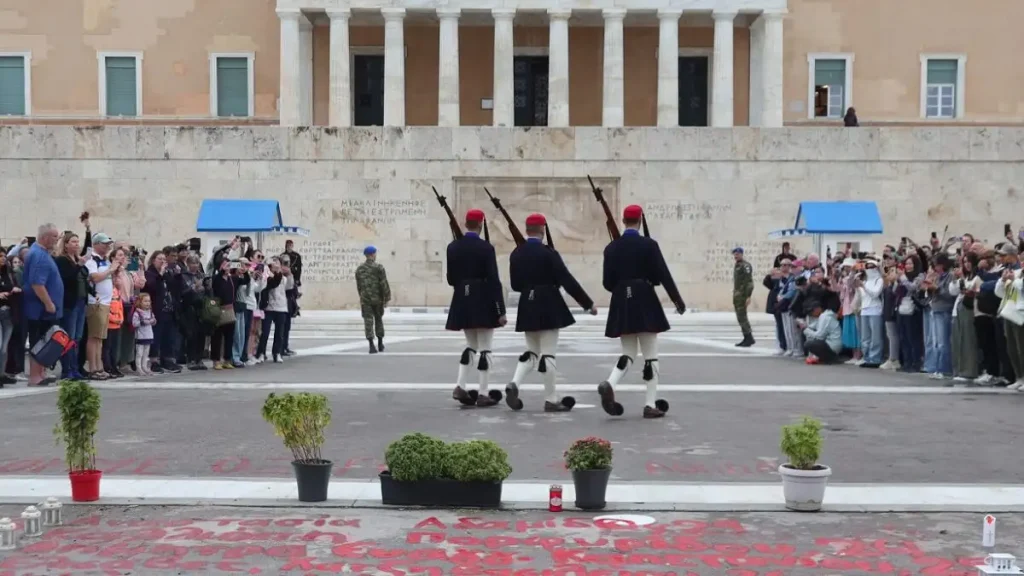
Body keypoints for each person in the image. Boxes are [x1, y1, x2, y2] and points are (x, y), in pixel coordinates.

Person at [597, 205, 686, 419]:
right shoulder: (649, 245)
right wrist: (677, 300)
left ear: (623, 221)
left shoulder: (611, 248)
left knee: (628, 353)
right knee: (650, 356)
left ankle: (610, 382)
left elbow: (607, 283)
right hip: (645, 297)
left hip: (622, 300)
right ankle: (649, 404)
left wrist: (622, 287)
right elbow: (662, 274)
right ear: (640, 220)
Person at [505, 213, 596, 413]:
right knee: (548, 354)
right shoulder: (549, 253)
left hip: (527, 304)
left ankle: (514, 383)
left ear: (527, 230)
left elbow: (515, 285)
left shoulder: (516, 253)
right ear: (543, 230)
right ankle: (551, 399)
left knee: (531, 351)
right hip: (548, 303)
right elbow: (567, 280)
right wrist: (587, 304)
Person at [445, 209, 507, 408]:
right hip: (483, 298)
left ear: (466, 224)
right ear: (481, 224)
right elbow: (494, 280)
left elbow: (451, 279)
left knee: (471, 345)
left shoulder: (452, 247)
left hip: (462, 298)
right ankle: (483, 392)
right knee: (485, 348)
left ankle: (460, 385)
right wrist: (500, 310)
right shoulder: (485, 248)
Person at [23, 223, 64, 387]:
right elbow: (37, 284)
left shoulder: (41, 253)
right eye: (54, 236)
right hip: (39, 309)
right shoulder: (39, 255)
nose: (56, 239)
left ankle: (40, 372)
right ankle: (35, 376)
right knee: (38, 341)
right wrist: (48, 303)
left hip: (43, 309)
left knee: (44, 341)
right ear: (45, 237)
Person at [84, 233, 118, 380]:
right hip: (95, 302)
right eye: (104, 244)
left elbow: (110, 279)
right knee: (94, 336)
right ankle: (93, 367)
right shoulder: (92, 260)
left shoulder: (105, 261)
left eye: (108, 244)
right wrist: (110, 270)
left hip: (105, 302)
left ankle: (99, 366)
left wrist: (114, 270)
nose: (107, 246)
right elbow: (94, 277)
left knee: (100, 338)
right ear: (96, 244)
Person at [355, 246, 391, 354]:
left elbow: (359, 286)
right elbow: (384, 284)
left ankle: (371, 345)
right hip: (377, 300)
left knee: (368, 321)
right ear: (372, 255)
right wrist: (387, 298)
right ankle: (380, 343)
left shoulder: (359, 269)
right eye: (375, 254)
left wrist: (361, 296)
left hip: (365, 300)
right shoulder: (379, 268)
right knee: (378, 320)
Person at [799, 299, 843, 364]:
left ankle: (830, 358)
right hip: (830, 343)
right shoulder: (823, 316)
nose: (811, 314)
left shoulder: (825, 317)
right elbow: (813, 326)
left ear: (818, 309)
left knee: (809, 344)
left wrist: (805, 330)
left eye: (811, 311)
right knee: (809, 335)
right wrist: (804, 327)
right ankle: (822, 357)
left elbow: (820, 336)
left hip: (833, 345)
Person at [0, 253, 18, 386]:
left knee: (5, 347)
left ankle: (2, 374)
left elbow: (11, 286)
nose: (3, 259)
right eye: (0, 256)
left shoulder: (8, 273)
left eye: (4, 256)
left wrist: (13, 290)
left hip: (8, 311)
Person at [732, 247, 755, 347]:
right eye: (734, 254)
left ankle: (749, 337)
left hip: (742, 296)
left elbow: (749, 282)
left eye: (737, 254)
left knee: (742, 317)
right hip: (737, 295)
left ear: (741, 254)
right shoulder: (737, 265)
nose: (735, 256)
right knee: (740, 317)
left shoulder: (745, 266)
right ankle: (746, 337)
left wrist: (748, 296)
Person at [132, 293, 157, 376]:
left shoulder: (150, 312)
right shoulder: (137, 313)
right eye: (145, 301)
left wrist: (153, 321)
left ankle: (145, 366)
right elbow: (134, 323)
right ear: (140, 302)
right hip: (140, 336)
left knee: (146, 353)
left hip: (148, 335)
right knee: (139, 353)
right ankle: (139, 368)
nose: (147, 303)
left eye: (149, 301)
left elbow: (153, 321)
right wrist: (142, 322)